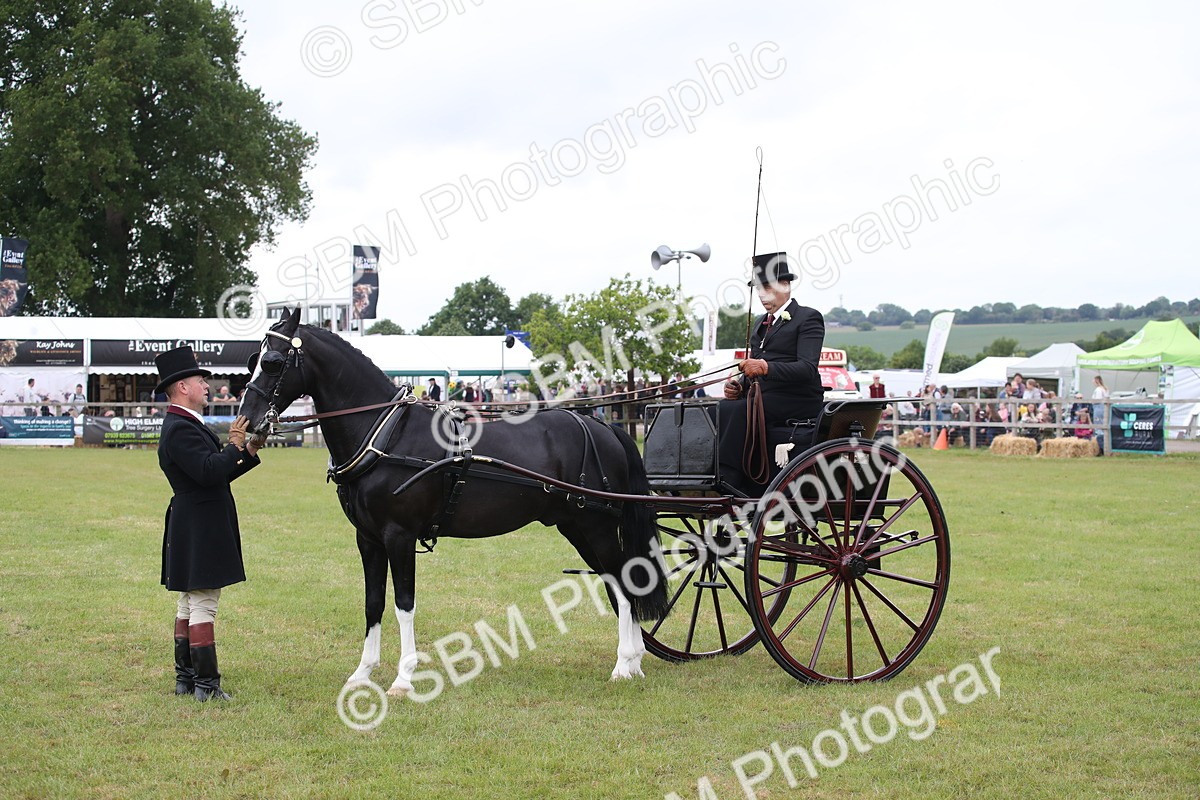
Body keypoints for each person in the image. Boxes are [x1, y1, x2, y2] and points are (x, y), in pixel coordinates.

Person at [154, 346, 261, 702]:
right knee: (202, 602)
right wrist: (233, 447)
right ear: (182, 386)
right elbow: (209, 470)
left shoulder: (183, 424)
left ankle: (186, 679)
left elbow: (217, 471)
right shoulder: (179, 429)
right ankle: (206, 684)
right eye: (200, 380)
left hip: (196, 518)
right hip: (200, 522)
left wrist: (247, 451)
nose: (206, 385)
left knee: (189, 601)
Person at [717, 253, 824, 495]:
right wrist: (740, 386)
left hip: (798, 399)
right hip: (763, 398)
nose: (763, 295)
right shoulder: (759, 323)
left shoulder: (808, 318)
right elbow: (752, 372)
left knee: (735, 410)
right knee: (722, 406)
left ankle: (729, 476)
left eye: (767, 287)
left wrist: (765, 367)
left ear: (785, 285)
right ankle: (717, 471)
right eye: (758, 289)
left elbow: (807, 368)